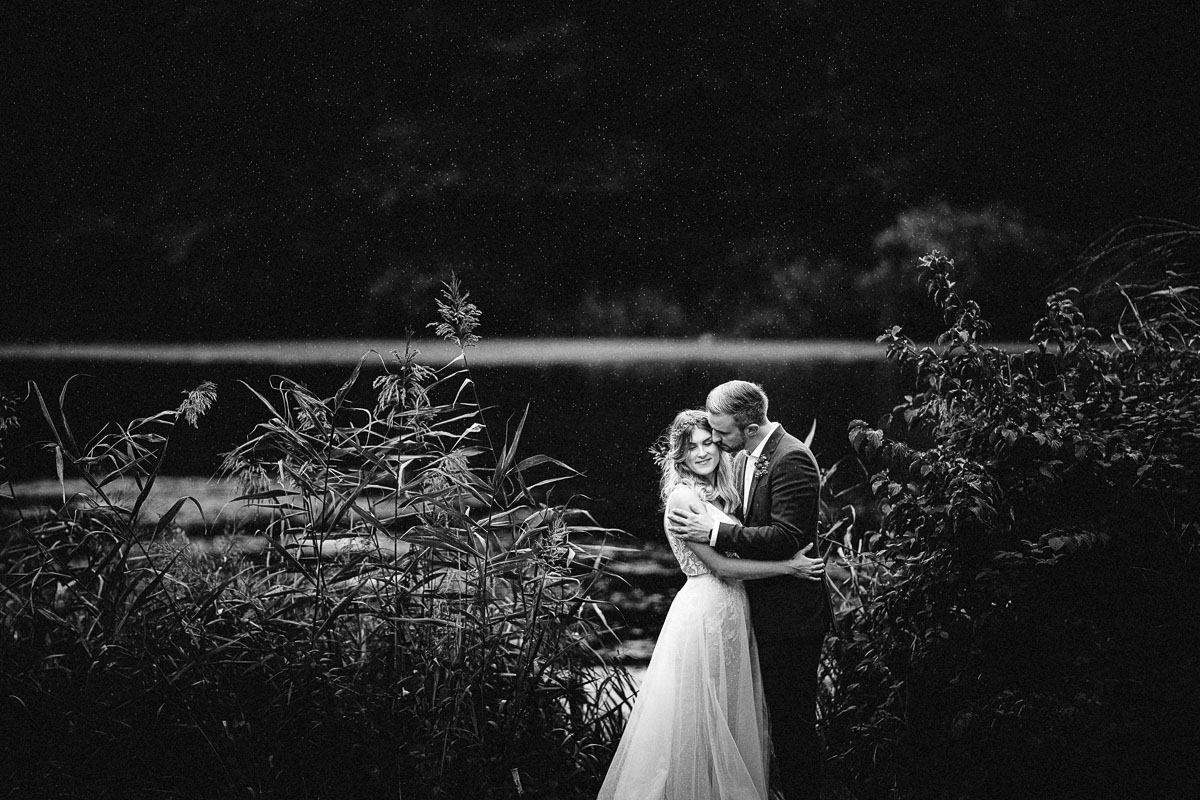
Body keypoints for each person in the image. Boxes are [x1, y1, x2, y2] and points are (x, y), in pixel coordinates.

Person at [598, 409, 824, 800]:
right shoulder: (684, 499)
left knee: (727, 708)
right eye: (692, 447)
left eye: (709, 443)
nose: (704, 452)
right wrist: (788, 566)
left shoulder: (719, 491)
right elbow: (720, 566)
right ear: (679, 456)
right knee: (704, 709)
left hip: (733, 609)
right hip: (707, 609)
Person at [668, 381, 832, 800]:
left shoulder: (791, 457)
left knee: (793, 726)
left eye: (720, 433)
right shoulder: (746, 459)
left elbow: (786, 536)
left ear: (751, 426)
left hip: (792, 619)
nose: (716, 442)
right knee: (762, 721)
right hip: (753, 611)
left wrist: (717, 530)